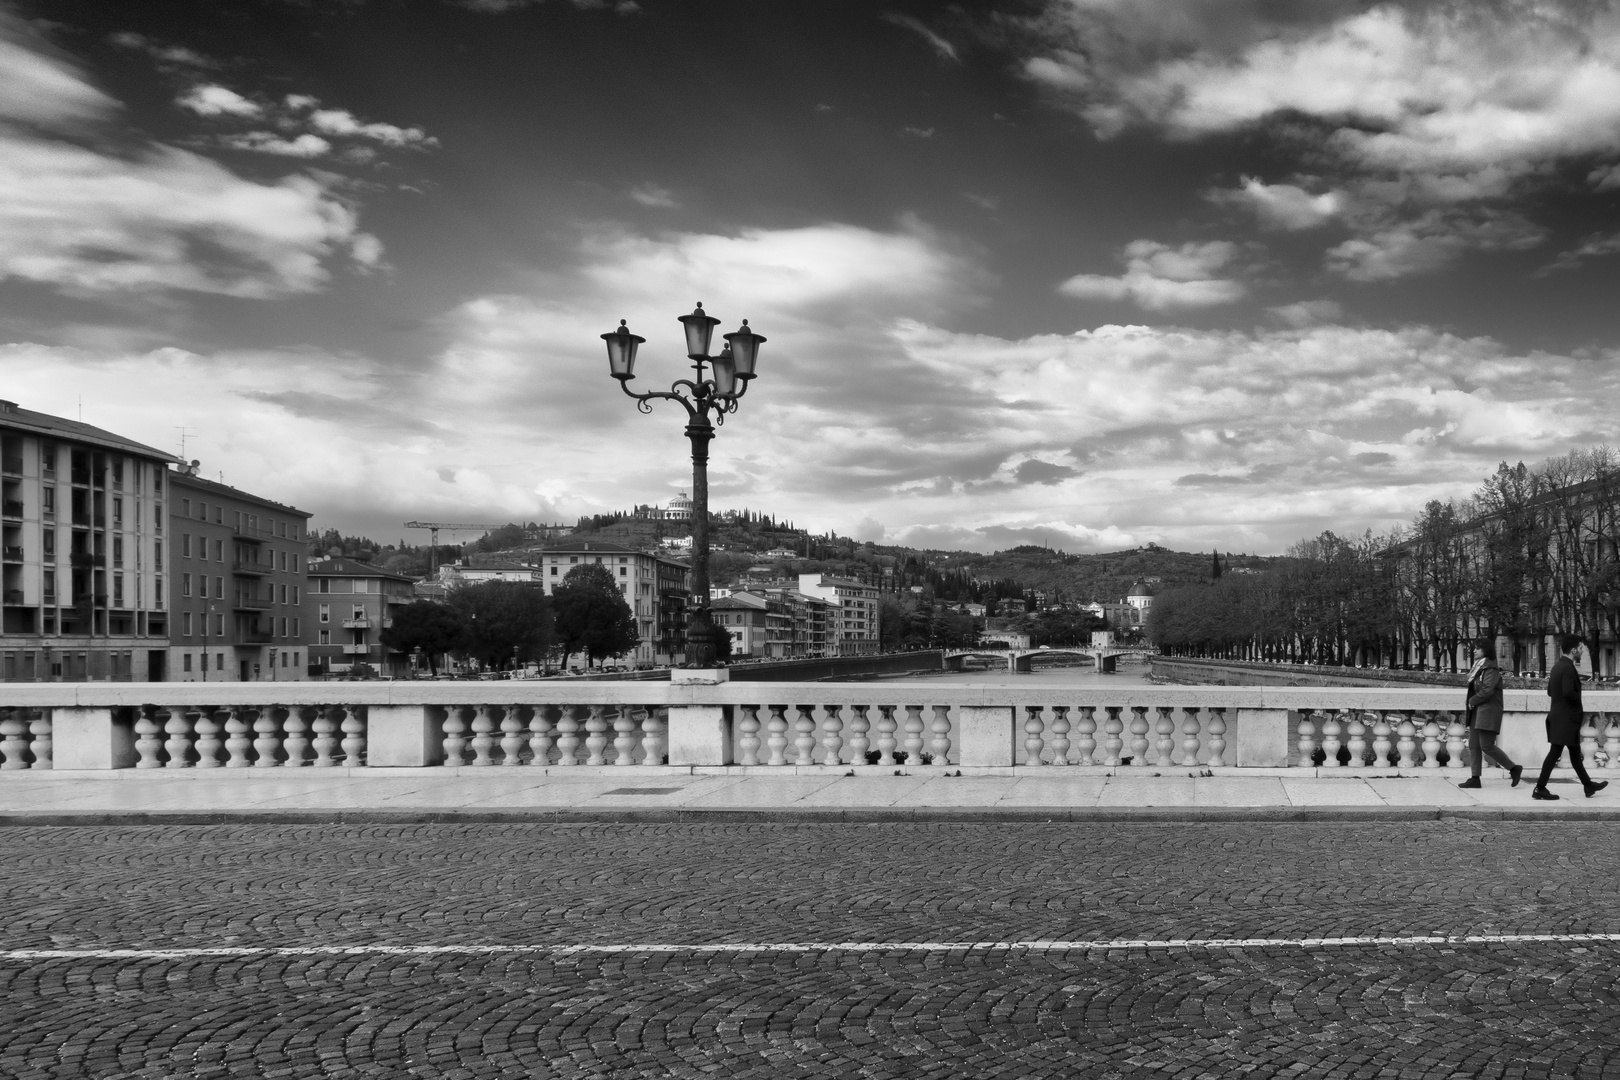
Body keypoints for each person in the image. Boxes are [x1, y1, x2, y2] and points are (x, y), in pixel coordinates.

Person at [1532, 633, 1609, 801]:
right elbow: (1568, 692)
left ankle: (1588, 785)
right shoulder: (1568, 668)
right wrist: (1577, 703)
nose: (1582, 650)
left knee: (1574, 754)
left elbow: (1551, 692)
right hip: (1566, 718)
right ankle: (1539, 788)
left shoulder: (1557, 667)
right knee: (1555, 753)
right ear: (1574, 650)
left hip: (1559, 716)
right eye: (1581, 648)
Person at [1457, 638, 1521, 789]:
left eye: (1477, 648)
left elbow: (1487, 691)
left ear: (1486, 650)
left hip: (1488, 711)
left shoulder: (1491, 670)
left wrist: (1472, 700)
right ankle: (1475, 778)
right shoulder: (1478, 668)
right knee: (1473, 744)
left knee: (1486, 745)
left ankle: (1513, 768)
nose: (1474, 651)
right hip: (1478, 711)